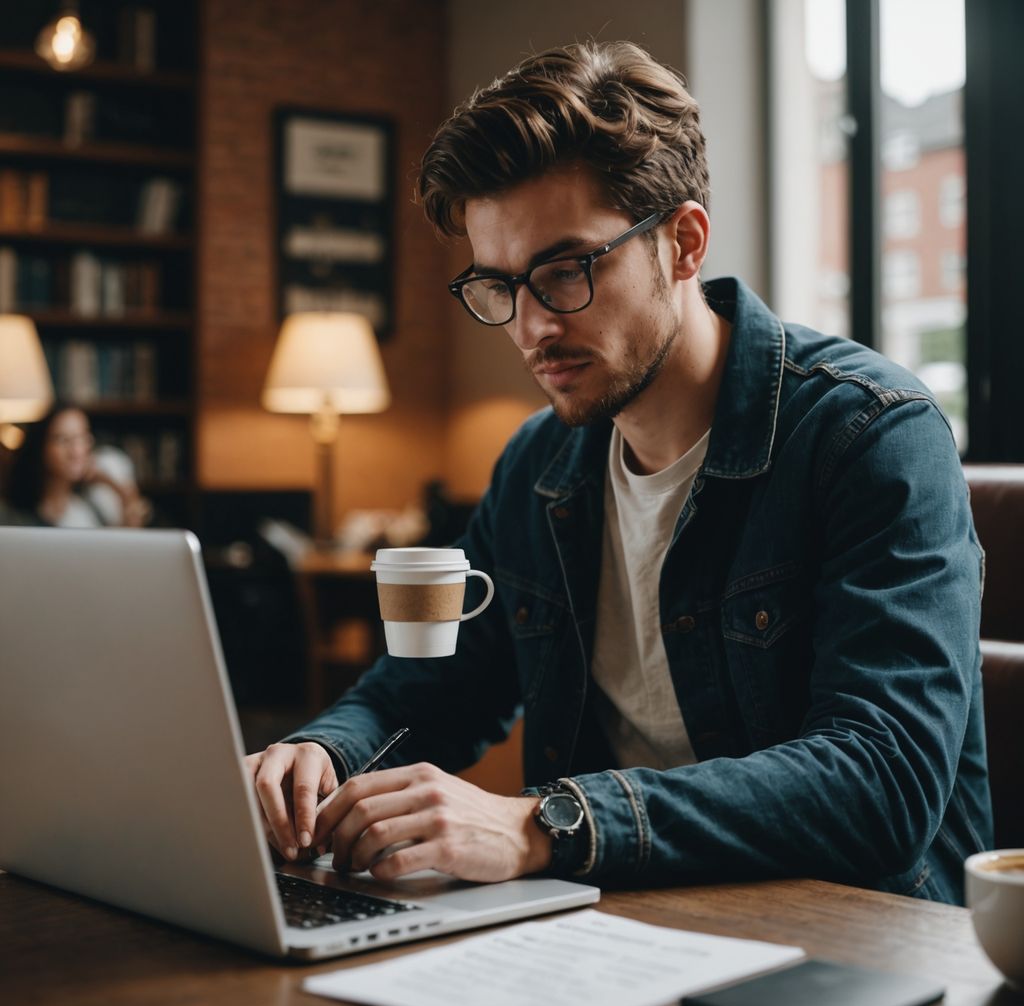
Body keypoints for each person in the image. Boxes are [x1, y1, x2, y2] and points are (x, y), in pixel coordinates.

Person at [247, 41, 989, 904]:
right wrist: (321, 754)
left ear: (682, 242)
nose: (529, 328)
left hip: (859, 937)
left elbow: (882, 785)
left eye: (563, 272)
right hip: (617, 927)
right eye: (499, 285)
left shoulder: (869, 435)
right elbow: (441, 683)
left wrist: (541, 825)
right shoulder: (540, 463)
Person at [0, 403, 149, 528]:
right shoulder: (15, 515)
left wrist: (110, 483)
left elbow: (127, 546)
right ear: (41, 446)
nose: (76, 451)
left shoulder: (89, 506)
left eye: (82, 438)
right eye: (63, 440)